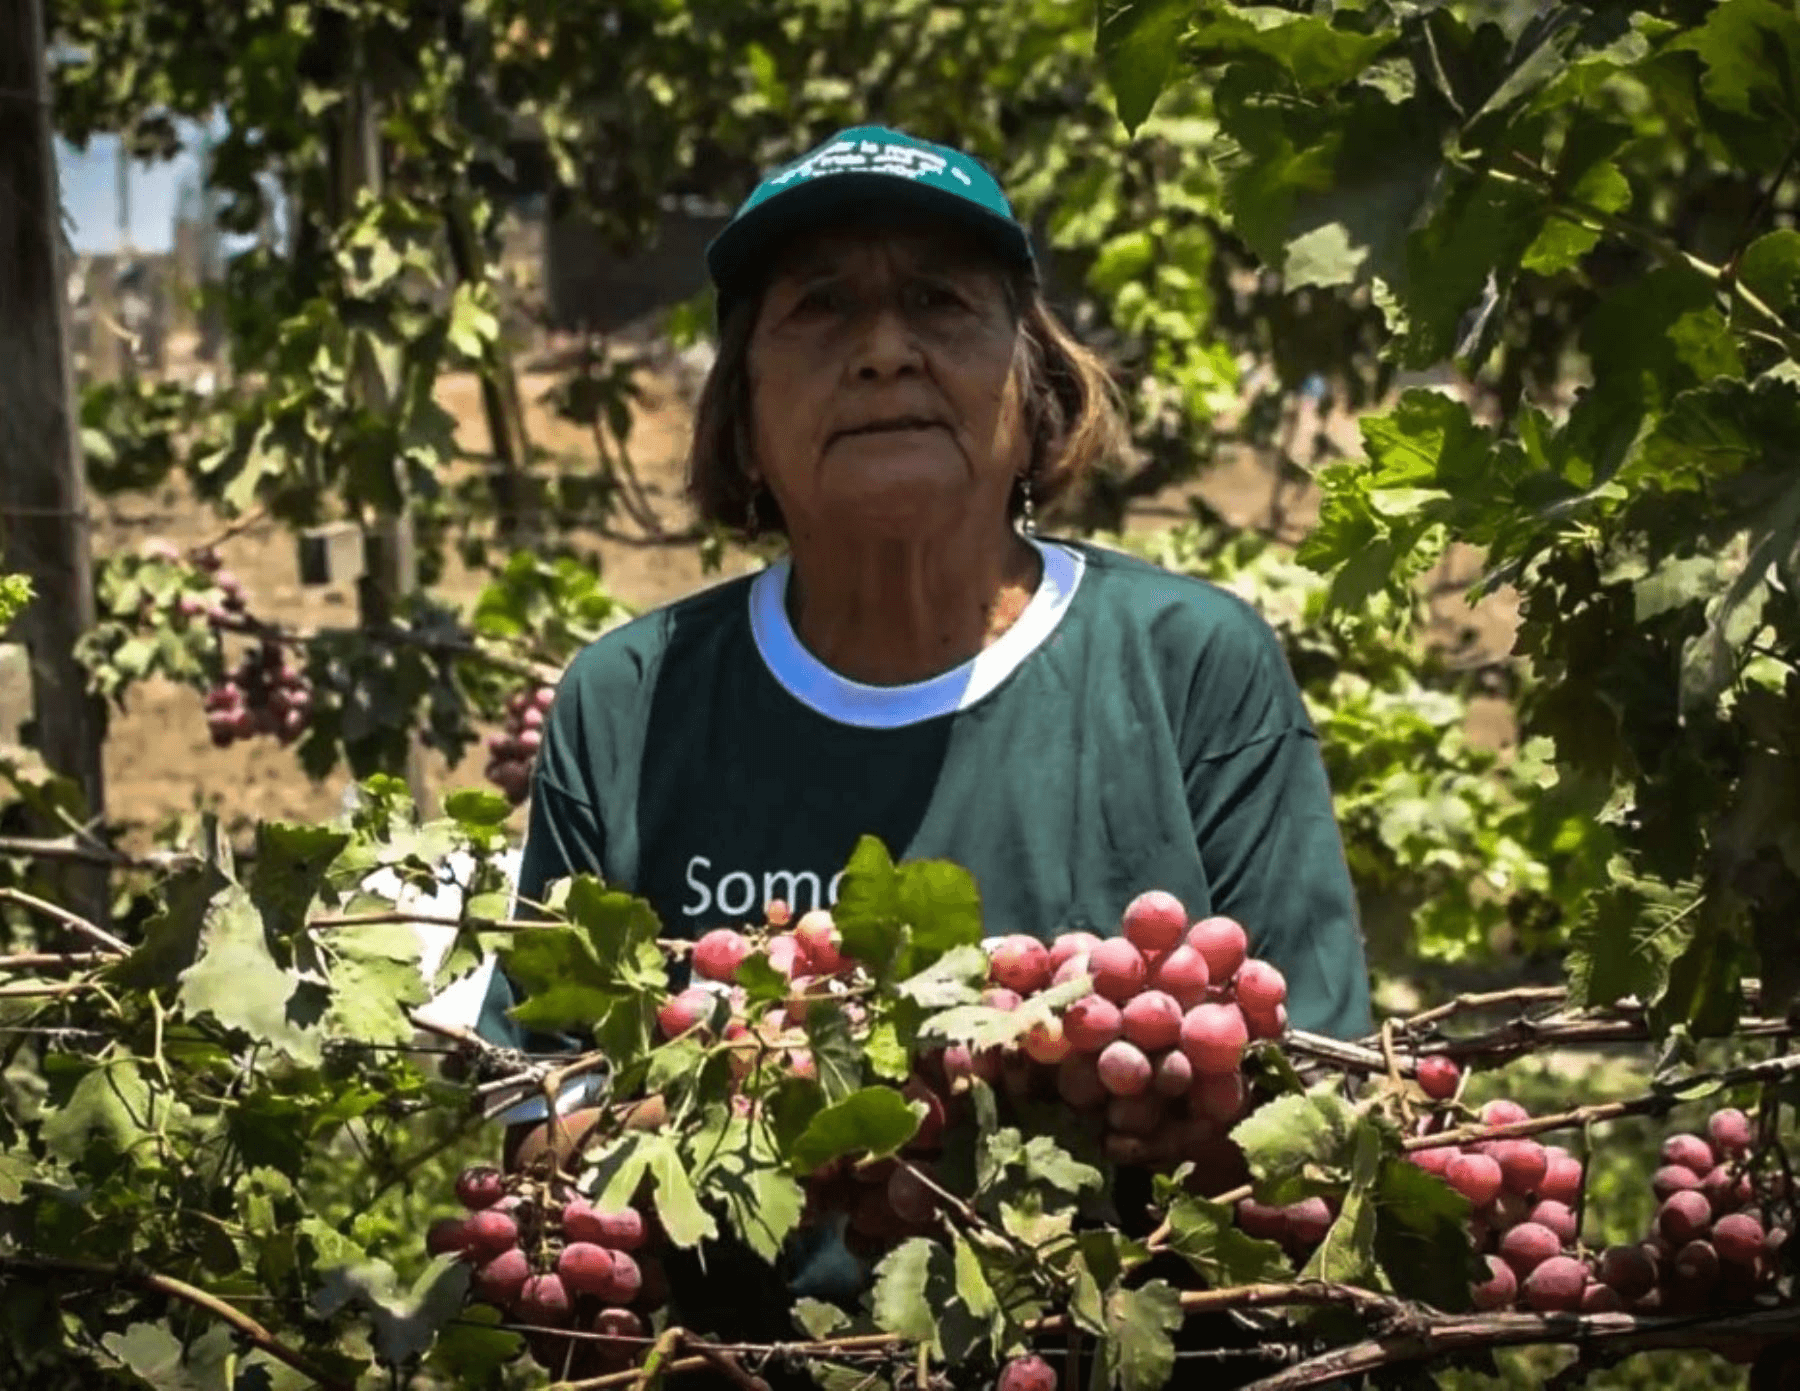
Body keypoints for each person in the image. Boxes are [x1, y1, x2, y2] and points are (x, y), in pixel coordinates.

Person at [477, 123, 1373, 1373]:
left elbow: (1313, 1127)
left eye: (940, 303)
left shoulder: (1193, 665)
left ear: (1034, 387)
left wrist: (1040, 1083)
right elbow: (526, 1119)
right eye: (821, 306)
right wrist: (772, 1096)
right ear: (741, 415)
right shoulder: (629, 699)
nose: (884, 348)